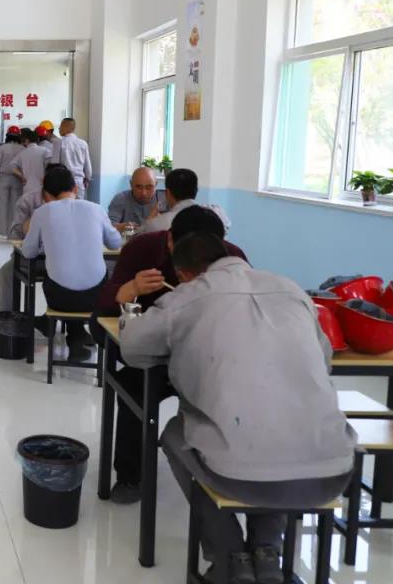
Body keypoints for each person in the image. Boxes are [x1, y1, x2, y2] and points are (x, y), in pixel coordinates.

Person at [121, 232, 355, 584]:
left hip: (241, 477)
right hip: (332, 471)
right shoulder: (290, 289)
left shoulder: (187, 297)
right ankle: (267, 552)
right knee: (279, 424)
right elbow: (324, 361)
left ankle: (230, 557)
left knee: (174, 435)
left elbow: (134, 350)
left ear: (183, 274)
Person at [96, 206, 248, 505]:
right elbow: (103, 307)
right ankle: (130, 475)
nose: (192, 271)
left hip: (213, 359)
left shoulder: (234, 259)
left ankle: (225, 467)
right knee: (132, 384)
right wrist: (131, 289)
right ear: (169, 240)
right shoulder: (142, 248)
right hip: (155, 355)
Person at [22, 166, 121, 324]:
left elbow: (28, 252)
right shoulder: (96, 209)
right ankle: (76, 332)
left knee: (52, 275)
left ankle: (58, 327)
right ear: (75, 188)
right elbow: (116, 244)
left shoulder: (42, 212)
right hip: (97, 297)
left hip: (61, 299)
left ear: (46, 194)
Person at [0, 187, 44, 313]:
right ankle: (8, 318)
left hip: (61, 262)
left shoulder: (74, 204)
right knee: (5, 273)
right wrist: (33, 221)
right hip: (30, 260)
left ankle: (71, 321)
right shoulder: (29, 200)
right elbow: (15, 236)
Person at [139, 167, 231, 234]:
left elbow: (137, 240)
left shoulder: (157, 224)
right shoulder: (217, 215)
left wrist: (149, 220)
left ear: (167, 193)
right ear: (196, 190)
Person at [107, 166, 166, 232]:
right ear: (131, 184)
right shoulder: (120, 199)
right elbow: (108, 227)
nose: (144, 193)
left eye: (148, 188)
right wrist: (121, 227)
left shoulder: (165, 198)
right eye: (139, 187)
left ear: (156, 184)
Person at [0, 126, 25, 240]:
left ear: (7, 136)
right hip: (17, 179)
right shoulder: (22, 148)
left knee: (3, 206)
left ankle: (3, 233)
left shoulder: (2, 148)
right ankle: (14, 233)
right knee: (16, 207)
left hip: (4, 178)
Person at [50, 118, 92, 198]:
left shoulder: (58, 142)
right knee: (79, 204)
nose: (59, 128)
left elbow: (54, 165)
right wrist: (87, 178)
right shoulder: (83, 143)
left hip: (63, 182)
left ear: (67, 127)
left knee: (65, 204)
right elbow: (87, 164)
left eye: (61, 126)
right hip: (79, 182)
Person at [12, 127, 51, 195]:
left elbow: (12, 167)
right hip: (42, 186)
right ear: (37, 139)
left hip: (28, 187)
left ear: (26, 140)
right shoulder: (45, 151)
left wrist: (21, 176)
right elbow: (51, 165)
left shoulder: (22, 153)